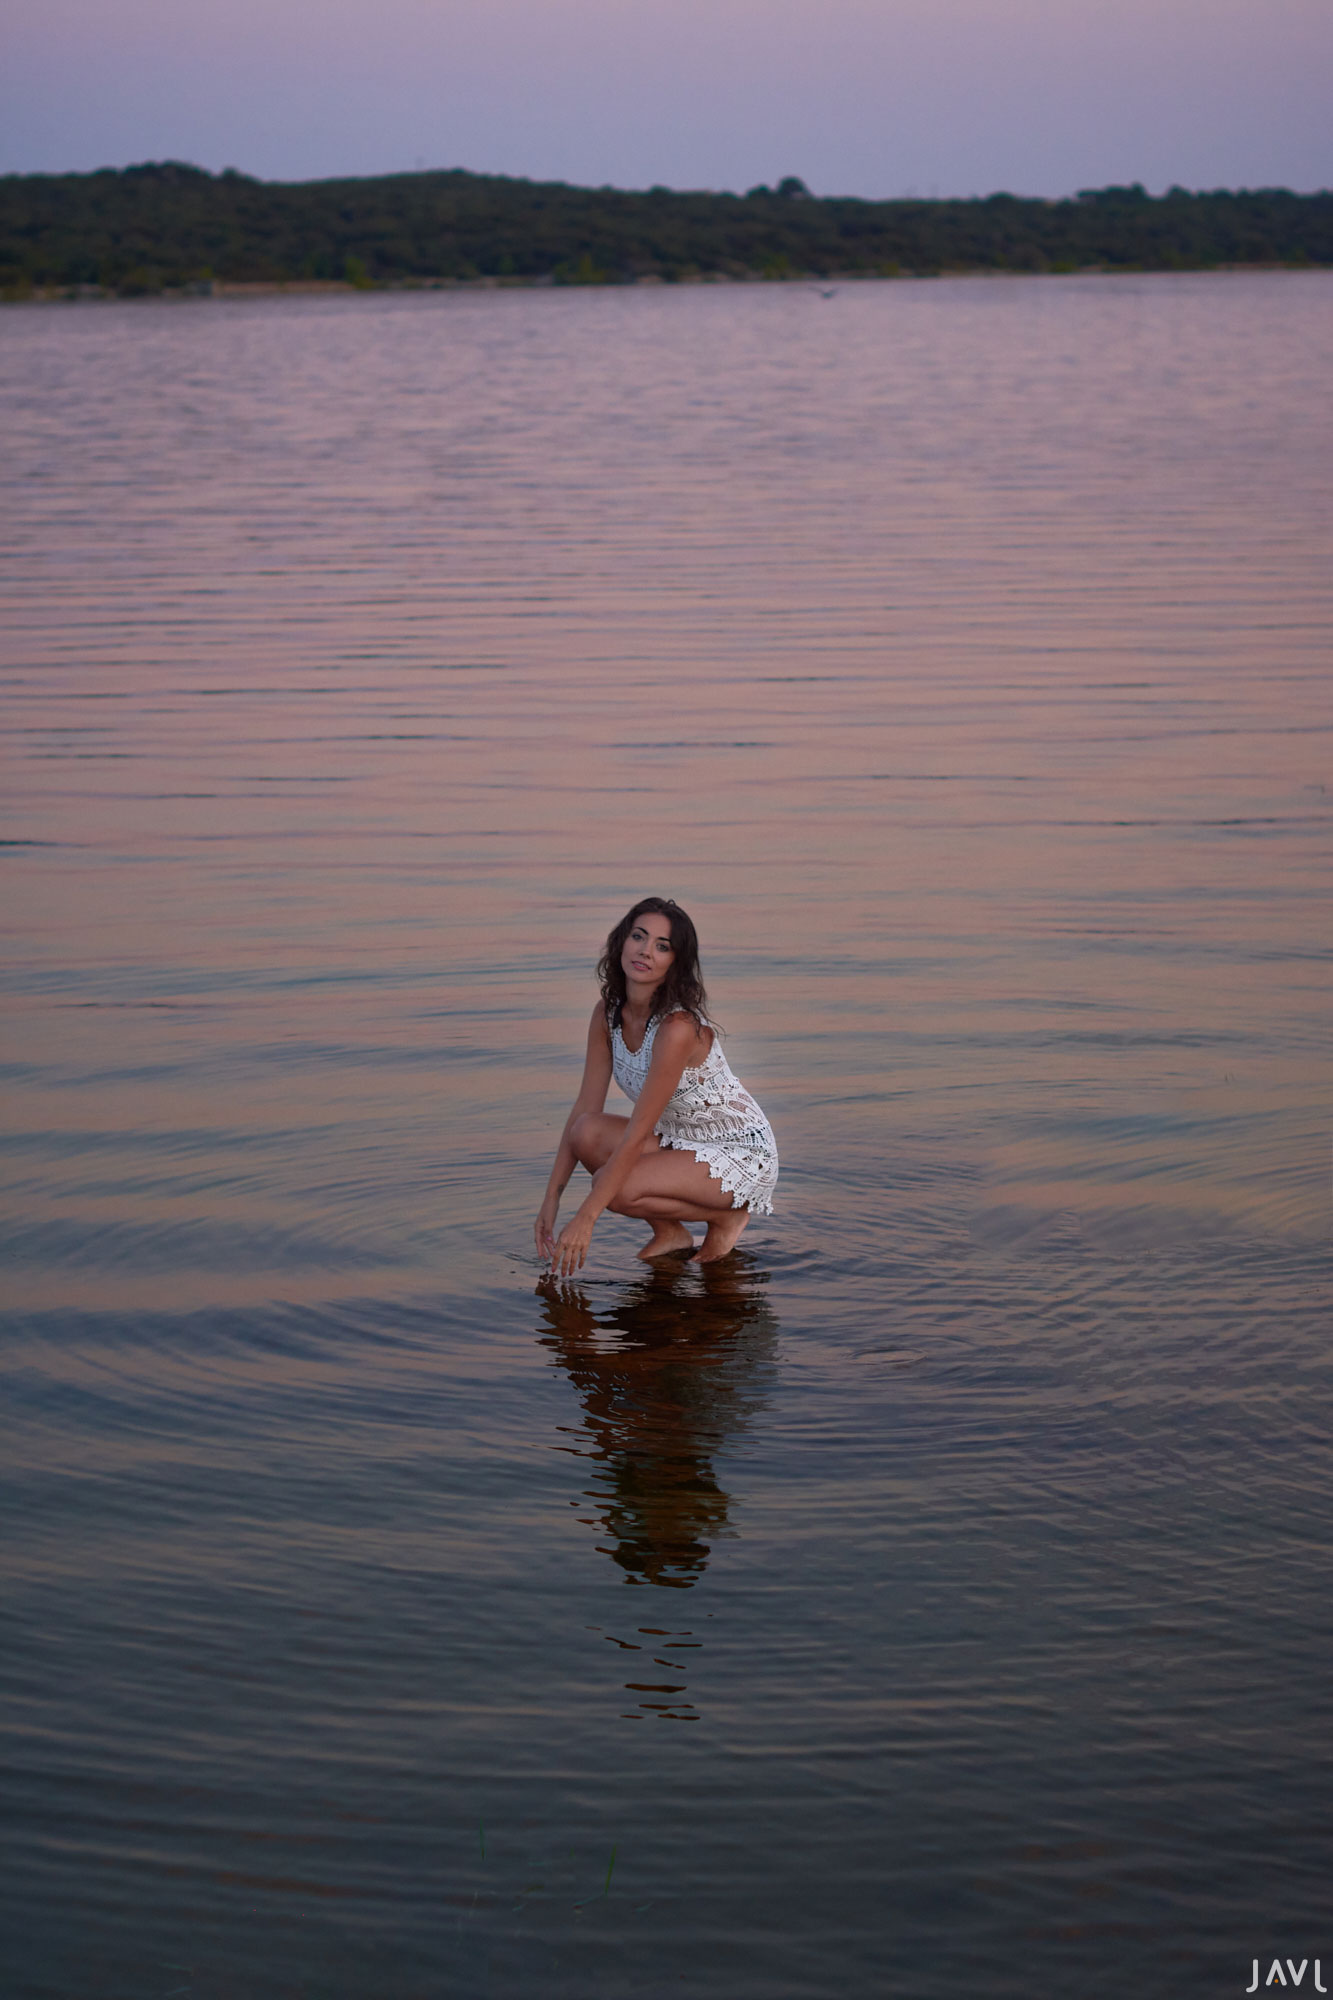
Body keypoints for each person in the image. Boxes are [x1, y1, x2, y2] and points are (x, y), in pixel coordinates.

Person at [536, 897, 779, 1277]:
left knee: (613, 1189)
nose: (646, 951)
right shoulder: (607, 1013)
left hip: (737, 1151)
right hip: (678, 1138)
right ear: (622, 942)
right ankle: (671, 1234)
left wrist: (586, 1218)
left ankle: (726, 1216)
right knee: (585, 1131)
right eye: (639, 937)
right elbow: (585, 1107)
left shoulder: (677, 1028)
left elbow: (636, 1134)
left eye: (662, 946)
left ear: (674, 963)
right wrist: (551, 1200)